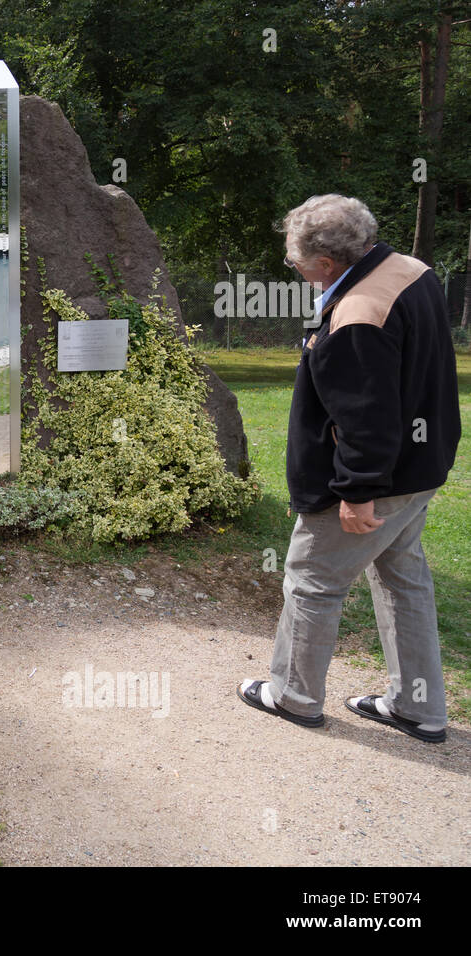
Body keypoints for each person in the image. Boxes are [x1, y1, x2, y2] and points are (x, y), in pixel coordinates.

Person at [239, 194, 461, 743]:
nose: (296, 272)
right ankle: (419, 708)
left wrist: (356, 491)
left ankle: (293, 695)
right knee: (403, 581)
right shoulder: (411, 271)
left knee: (313, 579)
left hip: (378, 482)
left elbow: (366, 418)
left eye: (295, 263)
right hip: (420, 468)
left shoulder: (359, 312)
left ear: (326, 263)